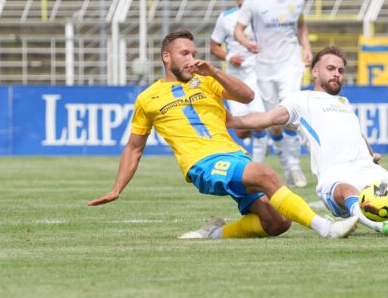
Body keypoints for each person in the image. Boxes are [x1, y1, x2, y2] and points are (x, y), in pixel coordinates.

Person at [88, 30, 359, 241]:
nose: (191, 58)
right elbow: (134, 148)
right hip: (203, 164)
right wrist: (116, 189)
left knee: (277, 224)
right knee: (265, 174)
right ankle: (326, 229)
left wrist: (215, 71)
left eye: (194, 52)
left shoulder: (206, 80)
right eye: (184, 53)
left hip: (234, 156)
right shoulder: (147, 99)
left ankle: (214, 233)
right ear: (166, 57)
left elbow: (247, 95)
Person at [214, 46, 388, 238]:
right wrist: (233, 121)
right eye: (331, 68)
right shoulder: (301, 100)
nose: (336, 74)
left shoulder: (345, 103)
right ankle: (377, 226)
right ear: (315, 71)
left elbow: (357, 134)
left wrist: (371, 154)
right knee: (348, 190)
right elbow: (268, 118)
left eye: (340, 70)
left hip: (370, 172)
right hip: (335, 175)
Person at [234, 0, 312, 189]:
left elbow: (300, 26)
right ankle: (286, 165)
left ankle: (294, 167)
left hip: (290, 65)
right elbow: (239, 30)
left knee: (289, 113)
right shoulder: (254, 1)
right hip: (264, 67)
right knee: (273, 123)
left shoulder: (297, 0)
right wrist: (247, 44)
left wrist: (306, 48)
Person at [210, 0, 268, 166]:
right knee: (242, 130)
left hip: (258, 75)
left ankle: (257, 165)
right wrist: (228, 58)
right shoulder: (226, 18)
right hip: (236, 77)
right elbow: (214, 46)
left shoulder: (263, 14)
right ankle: (263, 132)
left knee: (259, 121)